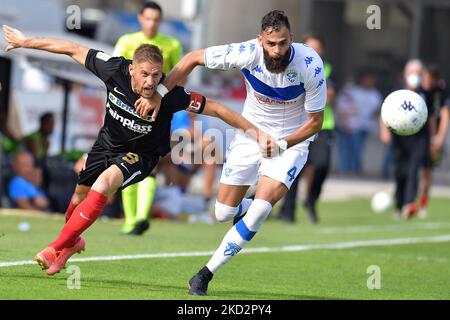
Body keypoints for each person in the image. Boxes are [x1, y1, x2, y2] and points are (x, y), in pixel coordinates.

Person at [3, 24, 272, 276]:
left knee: (105, 183)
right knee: (78, 197)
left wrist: (256, 133)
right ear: (132, 69)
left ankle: (54, 248)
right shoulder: (113, 69)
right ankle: (70, 245)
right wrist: (26, 41)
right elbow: (71, 47)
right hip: (106, 144)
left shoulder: (171, 95)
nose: (150, 82)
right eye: (144, 74)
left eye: (156, 75)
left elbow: (216, 108)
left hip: (142, 155)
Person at [144, 10, 326, 295]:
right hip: (251, 134)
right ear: (260, 40)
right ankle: (246, 204)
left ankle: (204, 275)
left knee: (259, 212)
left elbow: (315, 123)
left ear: (291, 39)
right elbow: (192, 58)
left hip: (291, 141)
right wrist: (159, 94)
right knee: (222, 212)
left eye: (282, 43)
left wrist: (282, 144)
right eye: (270, 44)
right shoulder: (245, 53)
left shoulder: (310, 65)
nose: (277, 50)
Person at [113, 1, 184, 235]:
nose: (152, 23)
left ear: (160, 21)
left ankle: (140, 217)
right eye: (148, 18)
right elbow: (115, 74)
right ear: (140, 18)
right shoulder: (126, 42)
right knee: (125, 161)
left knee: (149, 162)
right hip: (128, 110)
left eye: (156, 19)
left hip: (157, 112)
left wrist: (161, 97)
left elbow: (179, 77)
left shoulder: (171, 45)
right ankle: (131, 220)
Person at [278, 33, 335, 224]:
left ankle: (310, 200)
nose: (313, 52)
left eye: (317, 48)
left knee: (322, 165)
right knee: (294, 167)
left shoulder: (326, 69)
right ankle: (288, 212)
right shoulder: (292, 66)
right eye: (309, 47)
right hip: (297, 123)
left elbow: (331, 96)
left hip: (322, 124)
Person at [380, 59, 434, 219]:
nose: (415, 76)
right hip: (399, 137)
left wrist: (433, 138)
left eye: (418, 73)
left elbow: (430, 117)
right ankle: (399, 206)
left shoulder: (426, 92)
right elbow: (385, 111)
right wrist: (384, 130)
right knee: (399, 171)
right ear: (405, 74)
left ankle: (409, 203)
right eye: (412, 72)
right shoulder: (397, 92)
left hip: (420, 137)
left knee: (413, 169)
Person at [417, 64, 449, 218]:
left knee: (427, 172)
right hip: (416, 137)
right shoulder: (416, 90)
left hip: (431, 138)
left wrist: (440, 137)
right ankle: (406, 200)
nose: (426, 80)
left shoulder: (440, 93)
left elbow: (444, 114)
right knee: (410, 170)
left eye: (429, 77)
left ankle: (423, 204)